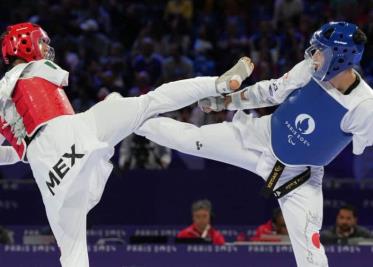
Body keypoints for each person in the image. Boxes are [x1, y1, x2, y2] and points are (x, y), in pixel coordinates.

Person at [0, 22, 251, 267]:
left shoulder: (7, 96)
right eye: (41, 41)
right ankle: (218, 84)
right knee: (149, 103)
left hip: (48, 173)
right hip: (73, 132)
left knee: (73, 255)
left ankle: (123, 109)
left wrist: (20, 145)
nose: (45, 47)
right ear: (23, 43)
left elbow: (19, 153)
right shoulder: (29, 71)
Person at [136, 21, 373, 267]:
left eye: (320, 50)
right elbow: (270, 92)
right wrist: (224, 103)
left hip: (299, 177)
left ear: (340, 57)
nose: (314, 55)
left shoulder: (365, 107)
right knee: (190, 139)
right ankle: (133, 118)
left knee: (311, 256)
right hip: (260, 137)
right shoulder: (309, 69)